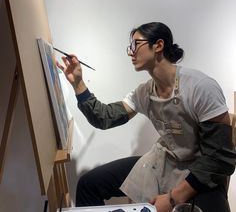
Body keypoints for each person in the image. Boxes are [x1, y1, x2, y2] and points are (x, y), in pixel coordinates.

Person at [57, 22, 236, 212]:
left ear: (158, 45)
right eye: (130, 46)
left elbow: (219, 158)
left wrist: (172, 198)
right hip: (164, 161)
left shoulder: (200, 87)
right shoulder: (144, 92)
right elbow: (104, 118)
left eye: (135, 45)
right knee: (88, 184)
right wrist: (78, 84)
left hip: (201, 169)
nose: (130, 52)